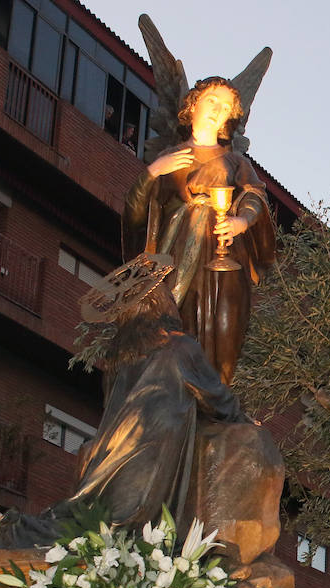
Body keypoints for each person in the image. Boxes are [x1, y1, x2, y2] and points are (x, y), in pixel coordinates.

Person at [0, 255, 258, 557]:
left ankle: (1, 528)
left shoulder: (123, 357)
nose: (174, 304)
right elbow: (217, 398)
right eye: (168, 298)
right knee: (115, 531)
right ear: (159, 303)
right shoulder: (179, 346)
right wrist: (244, 423)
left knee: (95, 522)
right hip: (149, 454)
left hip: (116, 451)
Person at [122, 76, 276, 384]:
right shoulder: (169, 159)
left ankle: (216, 401)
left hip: (223, 257)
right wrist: (153, 173)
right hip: (175, 257)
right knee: (176, 327)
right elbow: (135, 216)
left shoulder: (234, 161)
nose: (217, 110)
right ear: (192, 106)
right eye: (211, 101)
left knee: (224, 328)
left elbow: (254, 196)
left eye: (224, 108)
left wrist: (240, 221)